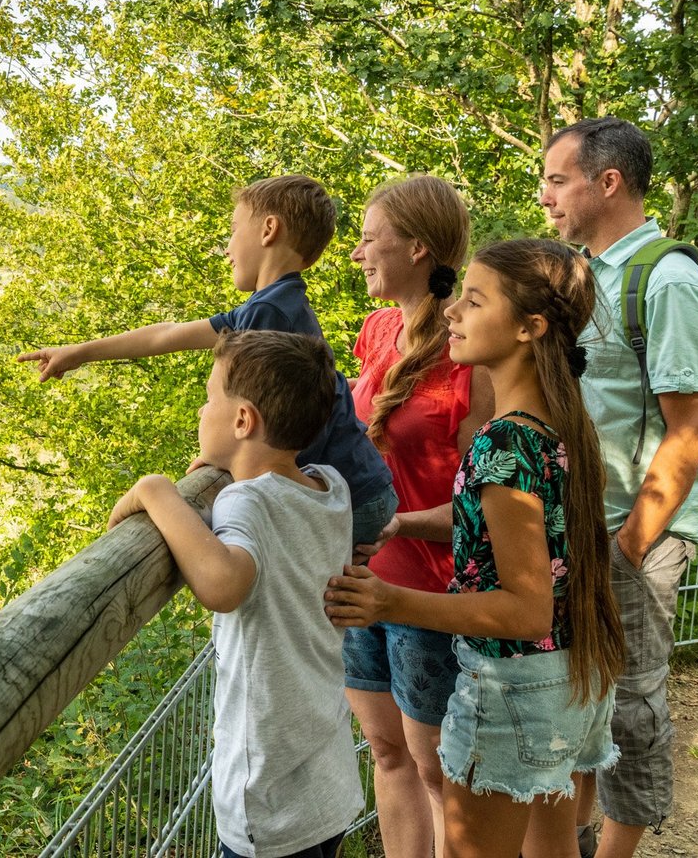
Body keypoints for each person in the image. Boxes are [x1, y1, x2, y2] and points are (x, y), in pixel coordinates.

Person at [326, 239, 627, 858]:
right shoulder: (559, 424)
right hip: (570, 676)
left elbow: (523, 608)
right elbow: (505, 534)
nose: (453, 312)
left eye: (474, 300)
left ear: (529, 328)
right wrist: (404, 524)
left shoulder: (500, 445)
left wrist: (389, 602)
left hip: (513, 690)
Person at [19, 174, 398, 547]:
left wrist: (225, 456)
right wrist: (77, 353)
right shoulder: (268, 307)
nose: (228, 247)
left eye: (234, 230)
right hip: (358, 487)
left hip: (352, 492)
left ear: (269, 230)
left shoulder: (271, 319)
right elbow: (168, 333)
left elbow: (276, 423)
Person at [108, 330, 362, 858]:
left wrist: (158, 491)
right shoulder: (330, 488)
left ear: (243, 421)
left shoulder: (247, 502)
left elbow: (224, 584)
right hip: (325, 773)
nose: (203, 412)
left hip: (269, 794)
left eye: (209, 399)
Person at [540, 117, 698, 858]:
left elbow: (696, 428)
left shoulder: (670, 281)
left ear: (606, 183)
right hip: (579, 531)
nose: (545, 195)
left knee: (633, 711)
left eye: (556, 179)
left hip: (635, 539)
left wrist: (628, 545)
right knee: (579, 699)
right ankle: (576, 839)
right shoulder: (580, 274)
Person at [344, 175, 494, 858]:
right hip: (356, 583)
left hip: (428, 595)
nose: (356, 254)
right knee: (385, 751)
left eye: (369, 239)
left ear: (417, 248)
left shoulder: (472, 354)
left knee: (438, 771)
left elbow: (487, 509)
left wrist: (401, 525)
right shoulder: (376, 331)